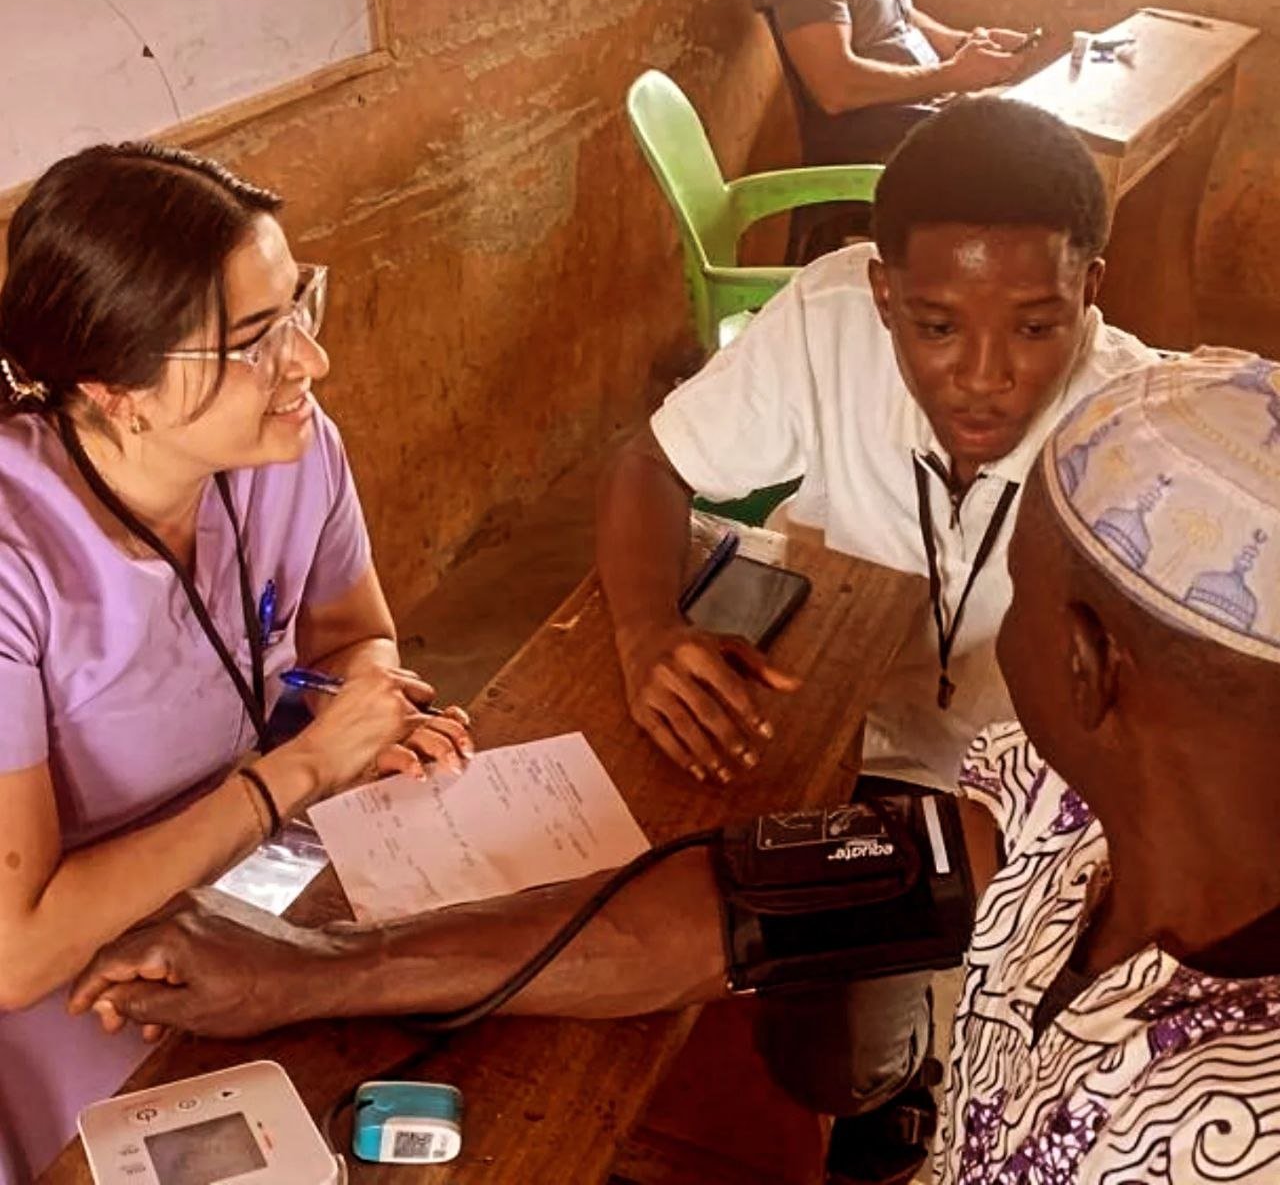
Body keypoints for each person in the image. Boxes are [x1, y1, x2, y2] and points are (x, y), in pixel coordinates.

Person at [71, 349, 1280, 1184]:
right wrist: (319, 969)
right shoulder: (1051, 806)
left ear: (1080, 664)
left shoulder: (1227, 1120)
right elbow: (750, 903)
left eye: (1021, 570)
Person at [595, 95, 1160, 1179]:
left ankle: (896, 1074)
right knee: (653, 914)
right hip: (832, 741)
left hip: (1017, 805)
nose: (985, 373)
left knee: (843, 1060)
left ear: (1089, 291)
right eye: (936, 325)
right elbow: (648, 464)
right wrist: (643, 632)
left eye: (1036, 326)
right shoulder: (823, 320)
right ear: (882, 291)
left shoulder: (1134, 429)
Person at [0, 144, 473, 1183]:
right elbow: (19, 947)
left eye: (300, 304)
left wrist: (366, 711)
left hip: (251, 876)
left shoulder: (291, 447)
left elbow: (354, 638)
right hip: (80, 973)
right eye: (255, 340)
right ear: (116, 390)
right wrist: (302, 769)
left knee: (460, 1033)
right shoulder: (14, 561)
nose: (310, 363)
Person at [751, 0, 1031, 260]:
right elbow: (834, 86)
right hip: (877, 136)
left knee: (1034, 119)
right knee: (1024, 150)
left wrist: (960, 44)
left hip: (923, 110)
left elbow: (897, 14)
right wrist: (951, 75)